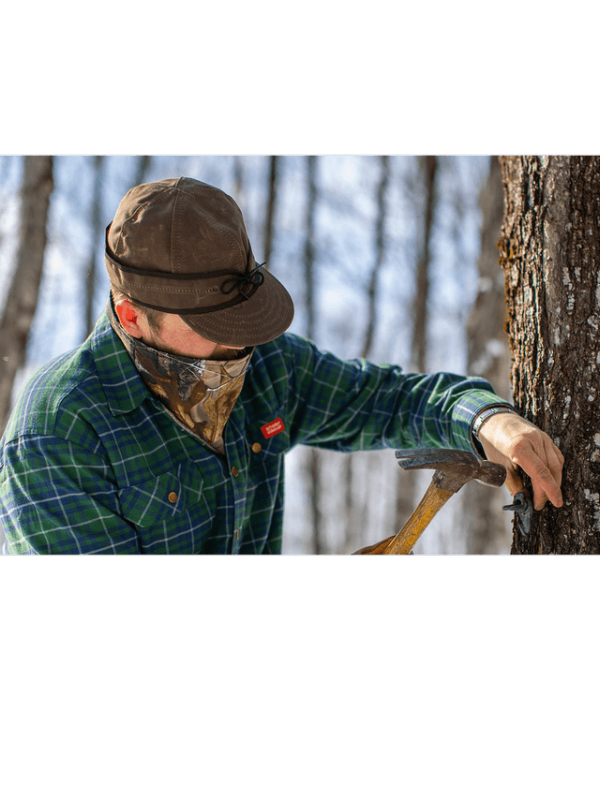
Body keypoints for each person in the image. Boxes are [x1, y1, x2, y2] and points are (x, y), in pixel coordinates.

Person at [0, 177, 564, 556]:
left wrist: (488, 420)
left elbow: (388, 400)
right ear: (131, 315)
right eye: (210, 329)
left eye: (240, 322)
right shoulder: (59, 430)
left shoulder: (267, 368)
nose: (237, 351)